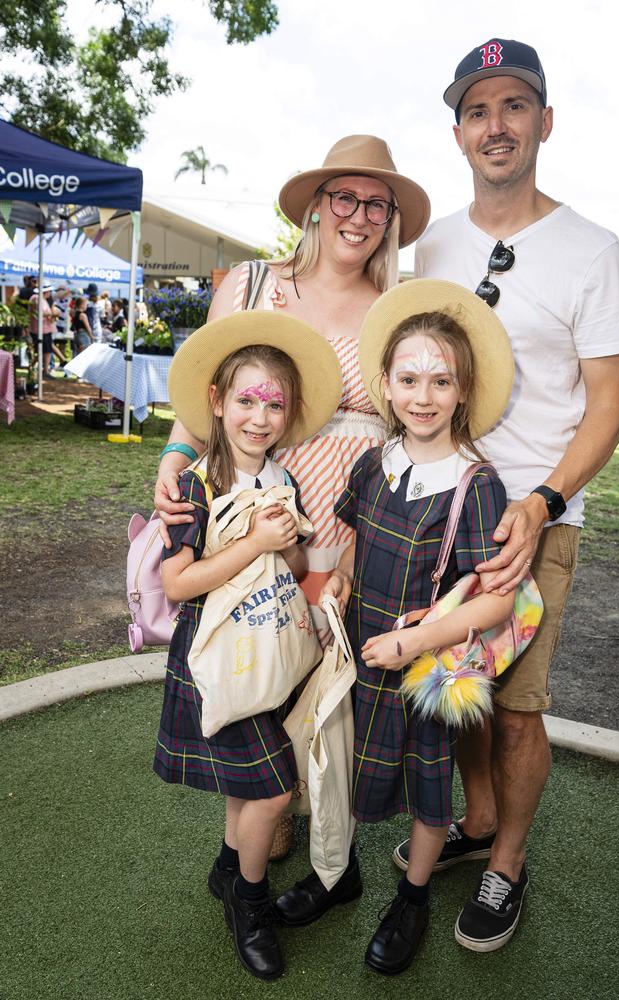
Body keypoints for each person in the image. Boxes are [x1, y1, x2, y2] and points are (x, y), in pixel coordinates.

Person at [391, 38, 619, 952]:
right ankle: (481, 817)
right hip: (441, 509)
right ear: (457, 132)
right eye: (478, 110)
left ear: (544, 121)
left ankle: (508, 866)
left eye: (514, 106)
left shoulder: (594, 250)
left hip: (535, 518)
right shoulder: (438, 242)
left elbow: (609, 405)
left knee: (520, 704)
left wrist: (543, 501)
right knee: (459, 689)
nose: (497, 125)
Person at [153, 134, 429, 861]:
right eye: (345, 196)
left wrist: (364, 545)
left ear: (391, 217)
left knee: (307, 693)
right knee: (254, 682)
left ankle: (267, 843)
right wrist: (176, 454)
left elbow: (400, 443)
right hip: (254, 525)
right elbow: (202, 393)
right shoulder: (249, 284)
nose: (359, 215)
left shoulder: (397, 309)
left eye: (377, 202)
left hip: (343, 533)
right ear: (315, 205)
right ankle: (245, 855)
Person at [275, 280, 517, 973]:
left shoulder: (477, 485)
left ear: (464, 391)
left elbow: (496, 602)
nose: (423, 394)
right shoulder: (373, 463)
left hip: (420, 670)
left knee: (429, 785)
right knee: (345, 772)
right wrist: (345, 574)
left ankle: (412, 897)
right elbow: (354, 536)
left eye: (442, 381)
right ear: (384, 384)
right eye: (409, 378)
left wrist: (413, 641)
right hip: (358, 656)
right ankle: (337, 873)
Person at [153, 310, 342, 981]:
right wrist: (253, 544)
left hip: (271, 653)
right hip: (219, 661)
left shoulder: (282, 480)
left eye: (274, 405)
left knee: (248, 787)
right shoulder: (195, 488)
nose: (259, 418)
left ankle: (231, 866)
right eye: (246, 401)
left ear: (289, 416)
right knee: (269, 793)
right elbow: (178, 583)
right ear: (217, 402)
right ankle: (250, 904)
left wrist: (295, 555)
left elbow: (287, 569)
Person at [28, 283, 65, 378]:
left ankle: (37, 368)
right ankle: (45, 371)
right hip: (40, 329)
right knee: (46, 350)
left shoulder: (40, 299)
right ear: (46, 292)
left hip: (43, 329)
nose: (50, 293)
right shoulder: (37, 299)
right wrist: (54, 314)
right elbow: (39, 313)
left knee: (45, 350)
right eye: (49, 291)